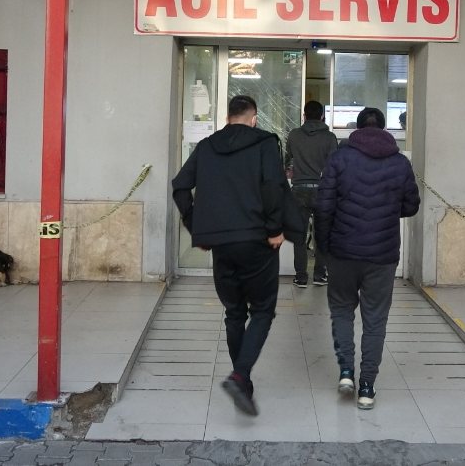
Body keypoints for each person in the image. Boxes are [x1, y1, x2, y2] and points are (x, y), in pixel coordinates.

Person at [171, 95, 287, 417]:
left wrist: (198, 228)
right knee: (262, 310)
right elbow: (273, 187)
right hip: (257, 241)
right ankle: (239, 376)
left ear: (227, 118)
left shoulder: (207, 146)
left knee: (235, 313)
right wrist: (275, 228)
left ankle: (243, 384)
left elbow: (180, 187)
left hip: (221, 244)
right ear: (254, 118)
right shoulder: (265, 143)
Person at [315, 107, 420, 410]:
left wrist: (324, 247)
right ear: (384, 128)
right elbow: (411, 205)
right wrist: (388, 209)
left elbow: (323, 207)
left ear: (357, 129)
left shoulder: (340, 159)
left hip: (343, 251)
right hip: (382, 255)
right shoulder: (400, 163)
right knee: (375, 320)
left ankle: (346, 372)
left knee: (341, 311)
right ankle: (367, 387)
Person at [285, 100, 339, 289]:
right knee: (322, 234)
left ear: (304, 116)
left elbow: (287, 161)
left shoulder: (294, 135)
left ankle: (301, 277)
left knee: (299, 235)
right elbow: (335, 166)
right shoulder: (330, 138)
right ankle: (319, 275)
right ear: (322, 116)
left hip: (299, 190)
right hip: (323, 191)